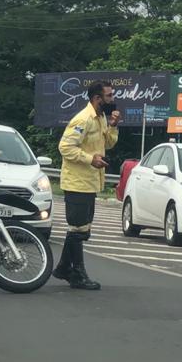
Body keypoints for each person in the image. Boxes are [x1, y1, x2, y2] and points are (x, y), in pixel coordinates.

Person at [55, 80, 120, 290]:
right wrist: (89, 159)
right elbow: (65, 147)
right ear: (97, 98)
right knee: (78, 228)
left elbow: (107, 144)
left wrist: (113, 126)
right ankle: (77, 273)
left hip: (90, 181)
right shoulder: (82, 119)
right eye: (109, 96)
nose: (113, 99)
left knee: (81, 228)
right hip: (77, 181)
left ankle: (65, 268)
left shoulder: (100, 117)